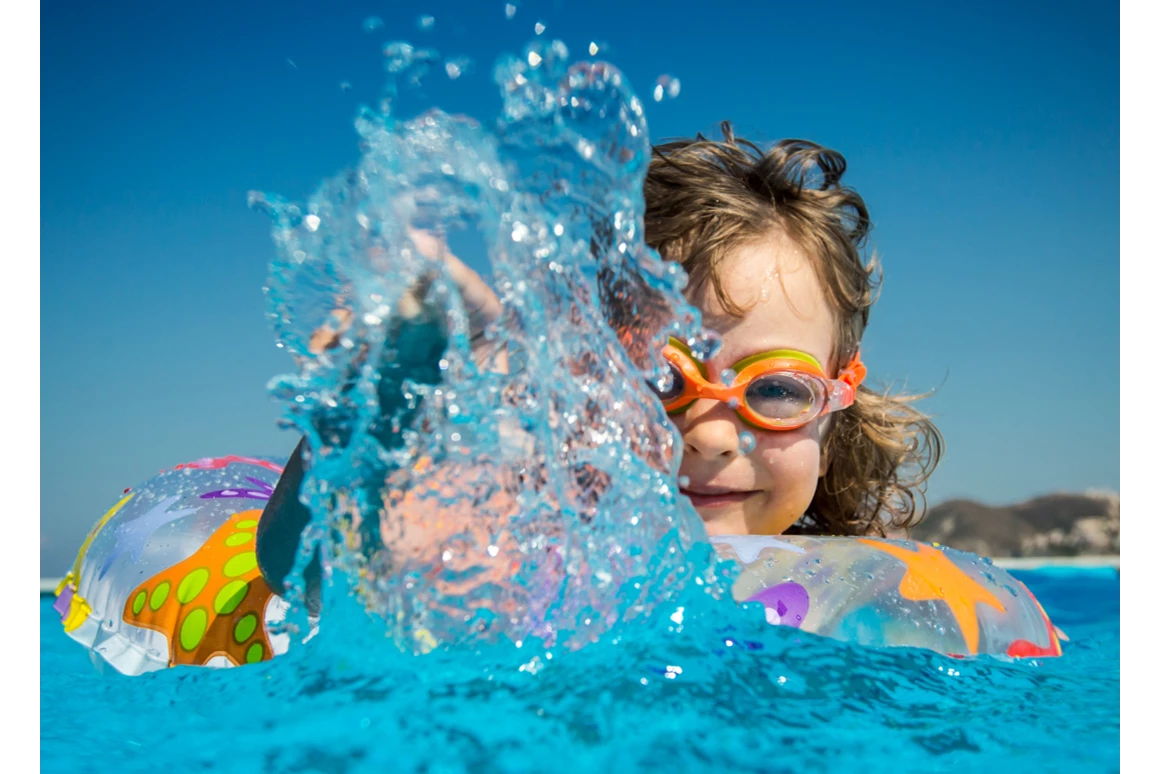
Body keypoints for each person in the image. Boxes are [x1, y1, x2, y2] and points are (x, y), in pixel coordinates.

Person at [256, 123, 943, 597]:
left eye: (776, 391)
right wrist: (385, 392)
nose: (707, 433)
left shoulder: (861, 579)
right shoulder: (524, 541)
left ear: (834, 399)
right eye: (661, 378)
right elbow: (307, 571)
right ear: (585, 374)